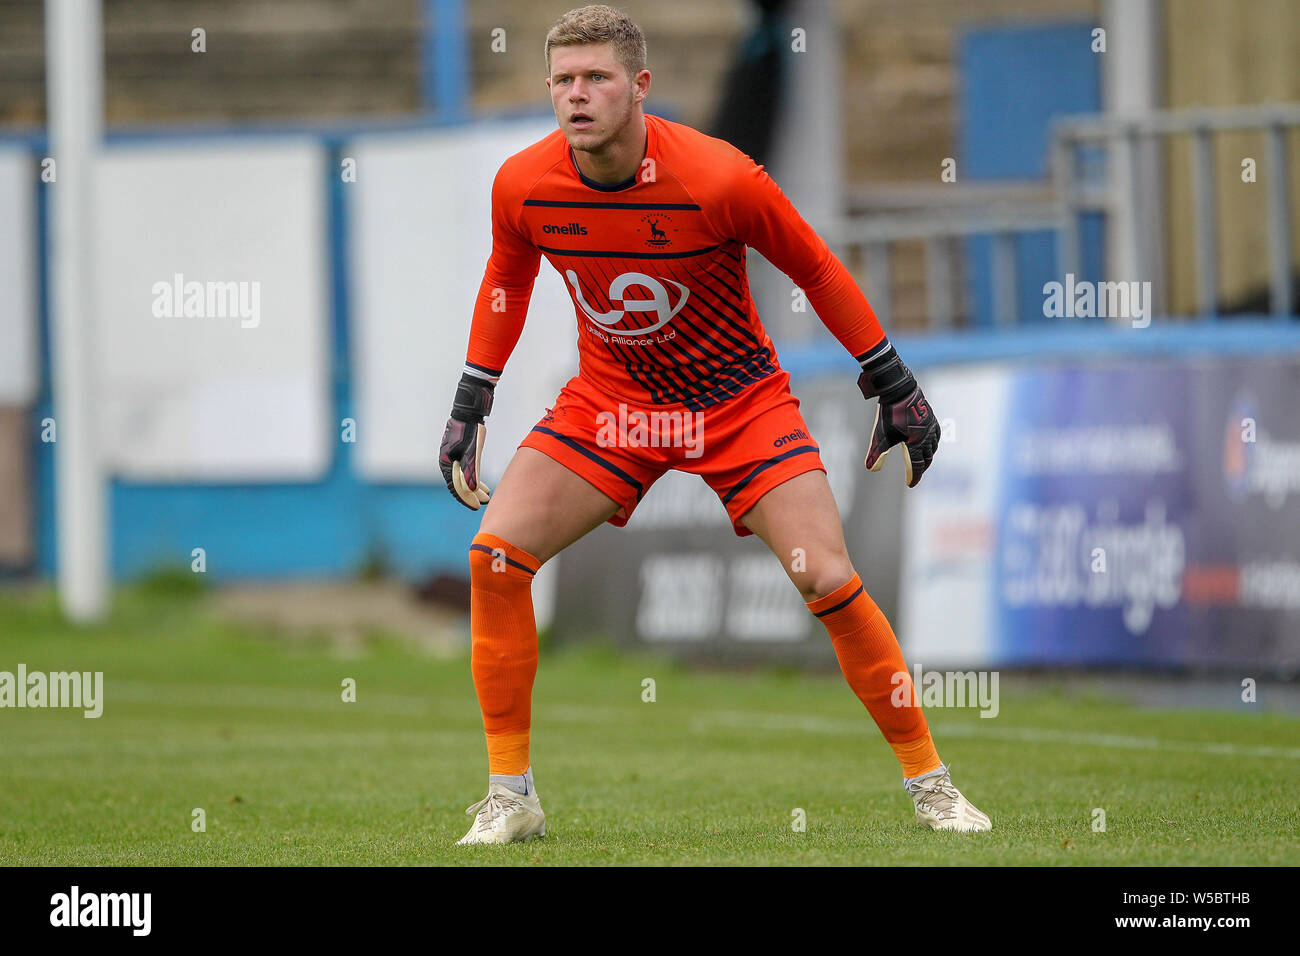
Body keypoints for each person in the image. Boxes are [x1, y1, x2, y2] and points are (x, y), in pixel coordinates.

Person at [439, 4, 991, 844]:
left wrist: (891, 379)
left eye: (597, 79)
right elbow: (504, 285)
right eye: (563, 80)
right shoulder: (523, 184)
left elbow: (815, 266)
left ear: (641, 87)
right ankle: (511, 797)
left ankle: (934, 787)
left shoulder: (720, 177)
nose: (577, 96)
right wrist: (472, 396)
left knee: (827, 580)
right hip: (613, 406)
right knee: (497, 557)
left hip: (737, 405)